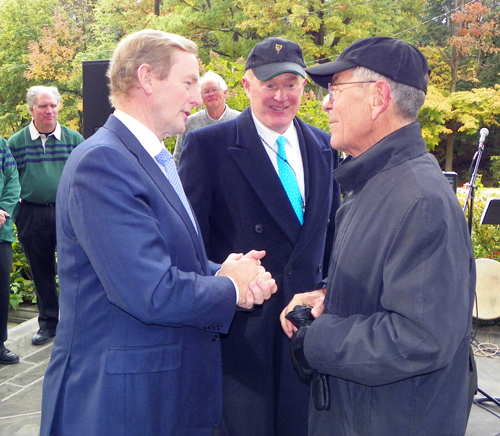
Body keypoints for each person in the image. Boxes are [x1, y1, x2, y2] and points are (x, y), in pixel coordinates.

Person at [39, 29, 277, 436]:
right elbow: (150, 290)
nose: (198, 97)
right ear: (147, 79)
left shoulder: (148, 157)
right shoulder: (104, 163)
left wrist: (222, 271)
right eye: (187, 82)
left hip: (156, 395)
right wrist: (232, 289)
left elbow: (167, 257)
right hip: (122, 405)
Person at [280, 37, 476, 435]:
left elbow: (421, 336)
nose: (325, 103)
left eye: (335, 89)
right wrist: (324, 298)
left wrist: (315, 339)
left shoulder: (420, 200)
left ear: (378, 97)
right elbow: (384, 288)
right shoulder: (373, 184)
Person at [179, 37, 341, 436]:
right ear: (248, 85)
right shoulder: (207, 146)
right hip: (243, 340)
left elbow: (335, 235)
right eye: (270, 85)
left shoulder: (326, 146)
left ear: (305, 86)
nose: (281, 96)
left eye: (291, 84)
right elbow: (186, 244)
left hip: (307, 331)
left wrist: (327, 294)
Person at [8, 86, 84, 346]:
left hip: (67, 214)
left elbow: (85, 180)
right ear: (32, 110)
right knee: (41, 272)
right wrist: (17, 214)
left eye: (53, 105)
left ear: (59, 107)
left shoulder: (75, 140)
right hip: (32, 214)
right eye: (43, 106)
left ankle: (75, 324)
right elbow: (8, 181)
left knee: (72, 270)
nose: (49, 110)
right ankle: (48, 325)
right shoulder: (15, 142)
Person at [173, 71, 240, 166]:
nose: (211, 94)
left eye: (214, 90)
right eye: (206, 91)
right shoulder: (190, 123)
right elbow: (178, 158)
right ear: (201, 97)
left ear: (225, 93)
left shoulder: (240, 121)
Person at [0, 137, 20, 365]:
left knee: (2, 291)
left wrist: (3, 210)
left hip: (1, 234)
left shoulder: (2, 145)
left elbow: (13, 181)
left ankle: (0, 345)